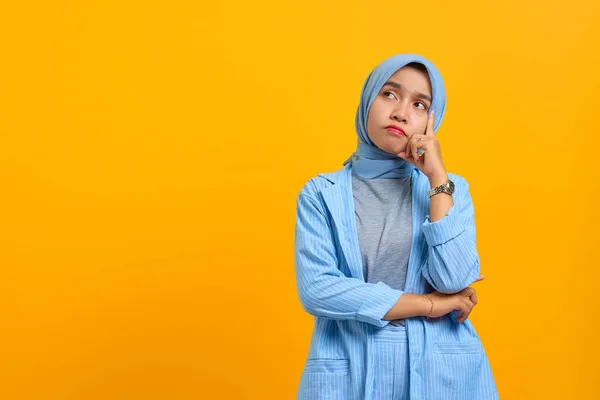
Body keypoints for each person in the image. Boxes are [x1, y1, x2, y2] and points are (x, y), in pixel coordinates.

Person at [293, 53, 498, 399]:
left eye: (419, 104)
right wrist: (429, 305)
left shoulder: (449, 189)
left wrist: (436, 178)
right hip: (350, 371)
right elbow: (318, 290)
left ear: (432, 120)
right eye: (389, 94)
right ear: (366, 101)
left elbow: (455, 278)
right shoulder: (320, 194)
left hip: (443, 373)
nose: (401, 112)